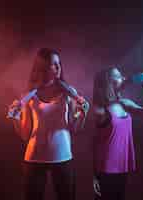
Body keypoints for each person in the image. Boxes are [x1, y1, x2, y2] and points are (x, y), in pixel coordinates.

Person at [7, 48, 89, 200]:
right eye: (53, 64)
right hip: (34, 159)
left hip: (63, 157)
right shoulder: (28, 96)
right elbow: (25, 135)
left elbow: (75, 128)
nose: (58, 68)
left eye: (58, 64)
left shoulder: (69, 94)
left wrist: (83, 113)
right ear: (42, 68)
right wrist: (14, 118)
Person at [92, 66, 143, 200]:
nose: (123, 77)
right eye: (118, 76)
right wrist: (95, 175)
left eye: (122, 75)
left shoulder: (125, 103)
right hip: (105, 168)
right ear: (108, 82)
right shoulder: (100, 109)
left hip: (122, 165)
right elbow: (95, 143)